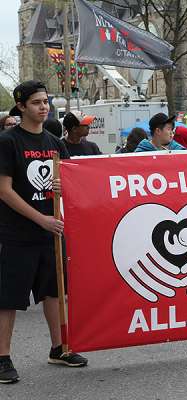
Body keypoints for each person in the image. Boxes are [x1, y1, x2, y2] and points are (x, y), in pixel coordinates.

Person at [0, 80, 88, 384]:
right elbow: (4, 191)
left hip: (51, 232)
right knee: (9, 298)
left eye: (45, 101)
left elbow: (71, 184)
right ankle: (2, 357)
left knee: (54, 292)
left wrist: (64, 188)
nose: (43, 107)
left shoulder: (54, 142)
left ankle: (59, 348)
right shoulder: (8, 141)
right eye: (36, 102)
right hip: (17, 234)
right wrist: (41, 219)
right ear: (21, 106)